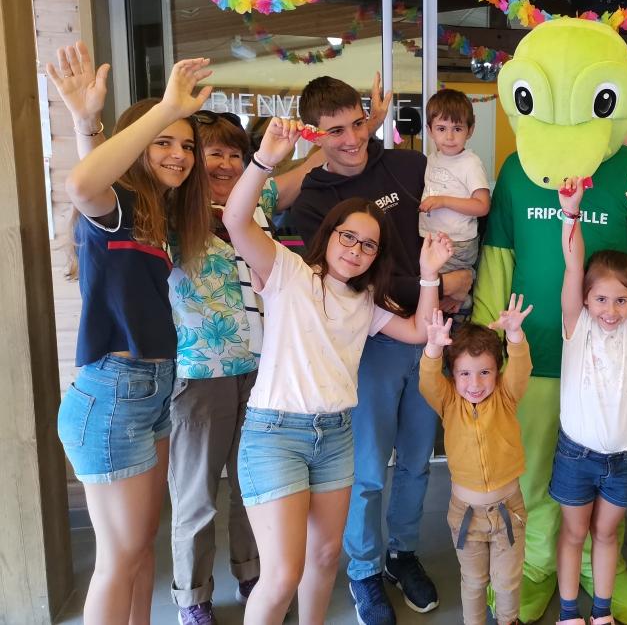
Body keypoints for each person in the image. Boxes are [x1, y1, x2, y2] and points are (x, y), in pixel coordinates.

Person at [48, 42, 393, 624]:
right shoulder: (165, 212)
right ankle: (193, 598)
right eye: (197, 150)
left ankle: (252, 579)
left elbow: (301, 171)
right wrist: (93, 126)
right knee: (186, 504)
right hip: (182, 374)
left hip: (241, 376)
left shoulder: (183, 209)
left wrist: (357, 133)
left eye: (222, 152)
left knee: (221, 505)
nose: (210, 161)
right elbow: (98, 194)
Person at [223, 116, 453, 624]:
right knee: (282, 574)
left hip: (335, 436)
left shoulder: (365, 302)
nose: (356, 250)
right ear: (328, 235)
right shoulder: (288, 272)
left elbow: (420, 330)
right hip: (276, 433)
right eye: (349, 237)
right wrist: (263, 162)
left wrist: (429, 275)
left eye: (369, 245)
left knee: (326, 558)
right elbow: (237, 221)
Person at [286, 76, 474, 625]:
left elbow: (459, 222)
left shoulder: (409, 167)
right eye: (335, 131)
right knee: (367, 470)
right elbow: (340, 281)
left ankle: (402, 553)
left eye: (358, 124)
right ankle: (364, 568)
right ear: (314, 135)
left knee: (417, 461)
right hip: (369, 345)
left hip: (431, 335)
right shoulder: (312, 199)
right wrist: (433, 285)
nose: (352, 140)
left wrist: (460, 276)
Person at [52, 56, 212, 624]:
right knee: (118, 560)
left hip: (150, 392)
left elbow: (99, 176)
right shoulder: (115, 208)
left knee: (141, 549)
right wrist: (162, 108)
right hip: (113, 395)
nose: (179, 155)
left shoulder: (146, 213)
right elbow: (84, 183)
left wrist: (87, 127)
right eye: (164, 141)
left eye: (187, 146)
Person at [552, 173, 627, 625]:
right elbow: (573, 266)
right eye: (601, 299)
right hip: (576, 455)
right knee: (574, 533)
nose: (611, 310)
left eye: (621, 300)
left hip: (625, 457)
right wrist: (570, 214)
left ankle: (601, 612)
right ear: (585, 299)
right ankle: (568, 613)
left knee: (606, 533)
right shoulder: (577, 326)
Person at [418, 295, 534, 625]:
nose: (475, 383)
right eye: (465, 374)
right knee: (473, 582)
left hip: (508, 511)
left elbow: (521, 367)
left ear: (497, 372)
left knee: (507, 581)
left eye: (485, 372)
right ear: (453, 376)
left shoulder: (506, 396)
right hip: (465, 515)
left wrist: (515, 335)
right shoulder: (448, 402)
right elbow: (428, 381)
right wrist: (433, 349)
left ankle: (509, 620)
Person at [418, 89, 491, 313]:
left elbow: (482, 206)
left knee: (439, 297)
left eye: (457, 129)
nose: (449, 137)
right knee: (433, 292)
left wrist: (443, 201)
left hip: (457, 242)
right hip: (432, 238)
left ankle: (463, 304)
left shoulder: (470, 163)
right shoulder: (432, 159)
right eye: (441, 129)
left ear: (470, 130)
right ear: (429, 130)